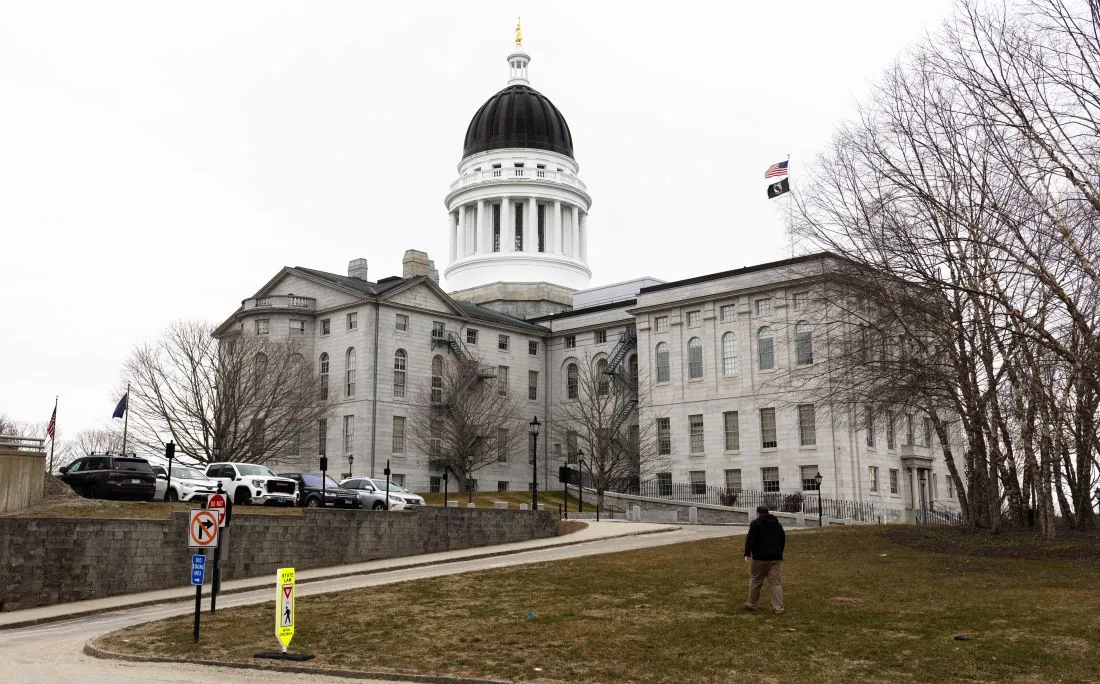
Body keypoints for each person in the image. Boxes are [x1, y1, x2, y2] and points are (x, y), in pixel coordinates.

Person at [743, 504, 786, 614]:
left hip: (759, 558)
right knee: (775, 583)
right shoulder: (777, 524)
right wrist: (779, 552)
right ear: (768, 512)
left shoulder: (755, 524)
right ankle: (779, 608)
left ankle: (751, 603)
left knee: (756, 580)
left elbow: (750, 540)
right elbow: (782, 540)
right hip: (776, 558)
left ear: (758, 513)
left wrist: (747, 553)